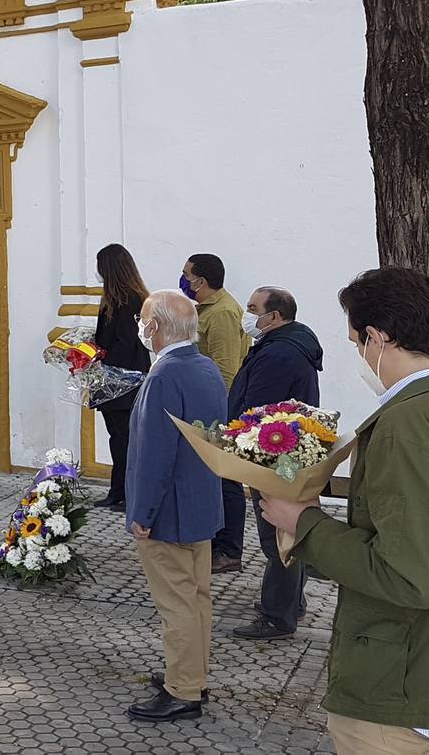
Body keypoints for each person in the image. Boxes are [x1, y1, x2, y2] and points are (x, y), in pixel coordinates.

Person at [262, 268, 429, 755]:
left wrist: (302, 524)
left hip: (403, 685)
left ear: (377, 337)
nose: (361, 358)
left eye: (356, 343)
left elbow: (410, 577)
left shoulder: (405, 423)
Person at [125, 290, 226, 723]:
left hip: (168, 510)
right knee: (197, 597)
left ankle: (183, 690)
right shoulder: (205, 367)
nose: (142, 327)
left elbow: (154, 453)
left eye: (145, 320)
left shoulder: (163, 376)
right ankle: (192, 674)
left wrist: (141, 514)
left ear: (157, 327)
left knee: (177, 604)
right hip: (200, 502)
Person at [229, 287, 321, 642]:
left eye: (253, 308)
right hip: (283, 455)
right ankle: (290, 602)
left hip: (274, 457)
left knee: (279, 539)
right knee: (286, 534)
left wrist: (236, 438)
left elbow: (258, 411)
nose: (248, 314)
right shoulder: (283, 345)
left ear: (276, 316)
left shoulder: (279, 354)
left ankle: (277, 617)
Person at [182, 253, 250, 573]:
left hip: (219, 408)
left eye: (187, 276)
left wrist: (218, 413)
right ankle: (212, 541)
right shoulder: (206, 308)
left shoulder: (222, 313)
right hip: (206, 405)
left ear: (202, 281)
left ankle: (229, 550)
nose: (184, 281)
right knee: (212, 477)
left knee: (226, 480)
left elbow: (226, 368)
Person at [92, 244, 153, 512]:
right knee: (117, 437)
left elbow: (127, 342)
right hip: (114, 380)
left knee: (127, 438)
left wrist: (99, 356)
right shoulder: (117, 298)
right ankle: (117, 490)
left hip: (123, 381)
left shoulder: (129, 300)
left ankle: (131, 495)